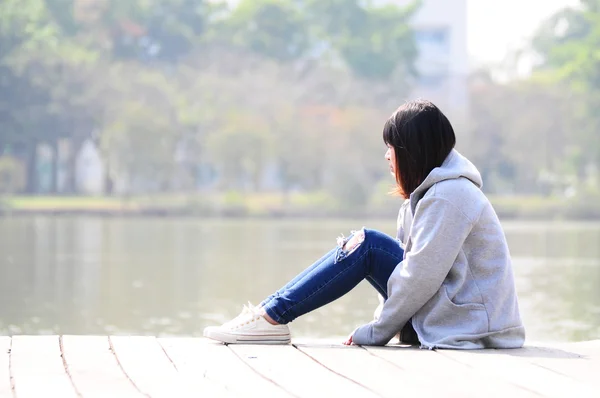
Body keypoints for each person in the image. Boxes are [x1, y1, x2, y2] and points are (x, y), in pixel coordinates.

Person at [203, 99, 526, 349]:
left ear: (412, 151)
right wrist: (386, 323)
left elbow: (420, 276)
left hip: (472, 326)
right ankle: (267, 315)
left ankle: (271, 318)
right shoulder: (428, 194)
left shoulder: (450, 195)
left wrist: (377, 332)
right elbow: (408, 271)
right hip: (453, 315)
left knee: (368, 244)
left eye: (391, 148)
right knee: (364, 243)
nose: (387, 156)